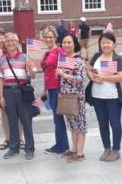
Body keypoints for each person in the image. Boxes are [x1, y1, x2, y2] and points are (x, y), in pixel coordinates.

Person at [86, 32, 122, 162]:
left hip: (113, 97)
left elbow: (121, 76)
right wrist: (92, 76)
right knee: (102, 124)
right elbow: (89, 69)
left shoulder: (117, 58)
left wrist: (103, 77)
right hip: (97, 96)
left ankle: (116, 149)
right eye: (103, 42)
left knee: (115, 124)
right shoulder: (97, 56)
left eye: (108, 42)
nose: (105, 45)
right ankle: (106, 148)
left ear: (114, 44)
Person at [0, 32, 37, 160]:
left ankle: (29, 148)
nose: (10, 43)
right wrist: (1, 96)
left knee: (26, 121)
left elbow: (33, 75)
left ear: (17, 42)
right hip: (8, 92)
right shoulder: (2, 59)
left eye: (13, 40)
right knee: (12, 121)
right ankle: (13, 148)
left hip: (22, 92)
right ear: (5, 43)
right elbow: (1, 79)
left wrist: (30, 67)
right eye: (8, 41)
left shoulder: (25, 57)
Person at [0, 28, 25, 151]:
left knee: (18, 114)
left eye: (0, 34)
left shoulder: (12, 49)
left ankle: (19, 138)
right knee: (4, 114)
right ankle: (8, 138)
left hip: (15, 84)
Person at [56, 34, 87, 163]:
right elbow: (62, 77)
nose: (66, 45)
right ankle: (74, 149)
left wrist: (64, 75)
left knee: (80, 124)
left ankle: (80, 152)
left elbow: (81, 78)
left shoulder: (78, 60)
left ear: (74, 44)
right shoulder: (63, 59)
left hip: (77, 96)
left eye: (69, 42)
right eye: (64, 42)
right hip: (66, 95)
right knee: (72, 123)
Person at [40, 26, 69, 154]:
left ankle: (61, 145)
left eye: (50, 37)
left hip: (58, 88)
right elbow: (46, 71)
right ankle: (62, 144)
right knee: (56, 117)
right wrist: (44, 89)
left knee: (58, 117)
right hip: (50, 88)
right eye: (46, 37)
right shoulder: (47, 53)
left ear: (55, 38)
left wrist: (63, 73)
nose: (48, 39)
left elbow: (67, 68)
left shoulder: (60, 51)